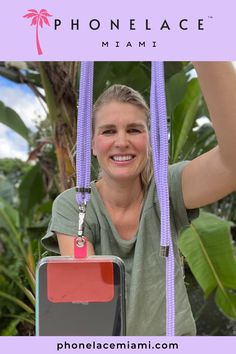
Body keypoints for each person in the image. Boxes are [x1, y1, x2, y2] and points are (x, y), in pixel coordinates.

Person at [42, 62, 236, 335]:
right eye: (109, 131)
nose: (122, 141)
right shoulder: (74, 205)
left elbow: (231, 164)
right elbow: (89, 300)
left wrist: (205, 48)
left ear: (150, 140)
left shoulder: (167, 190)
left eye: (134, 130)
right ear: (92, 144)